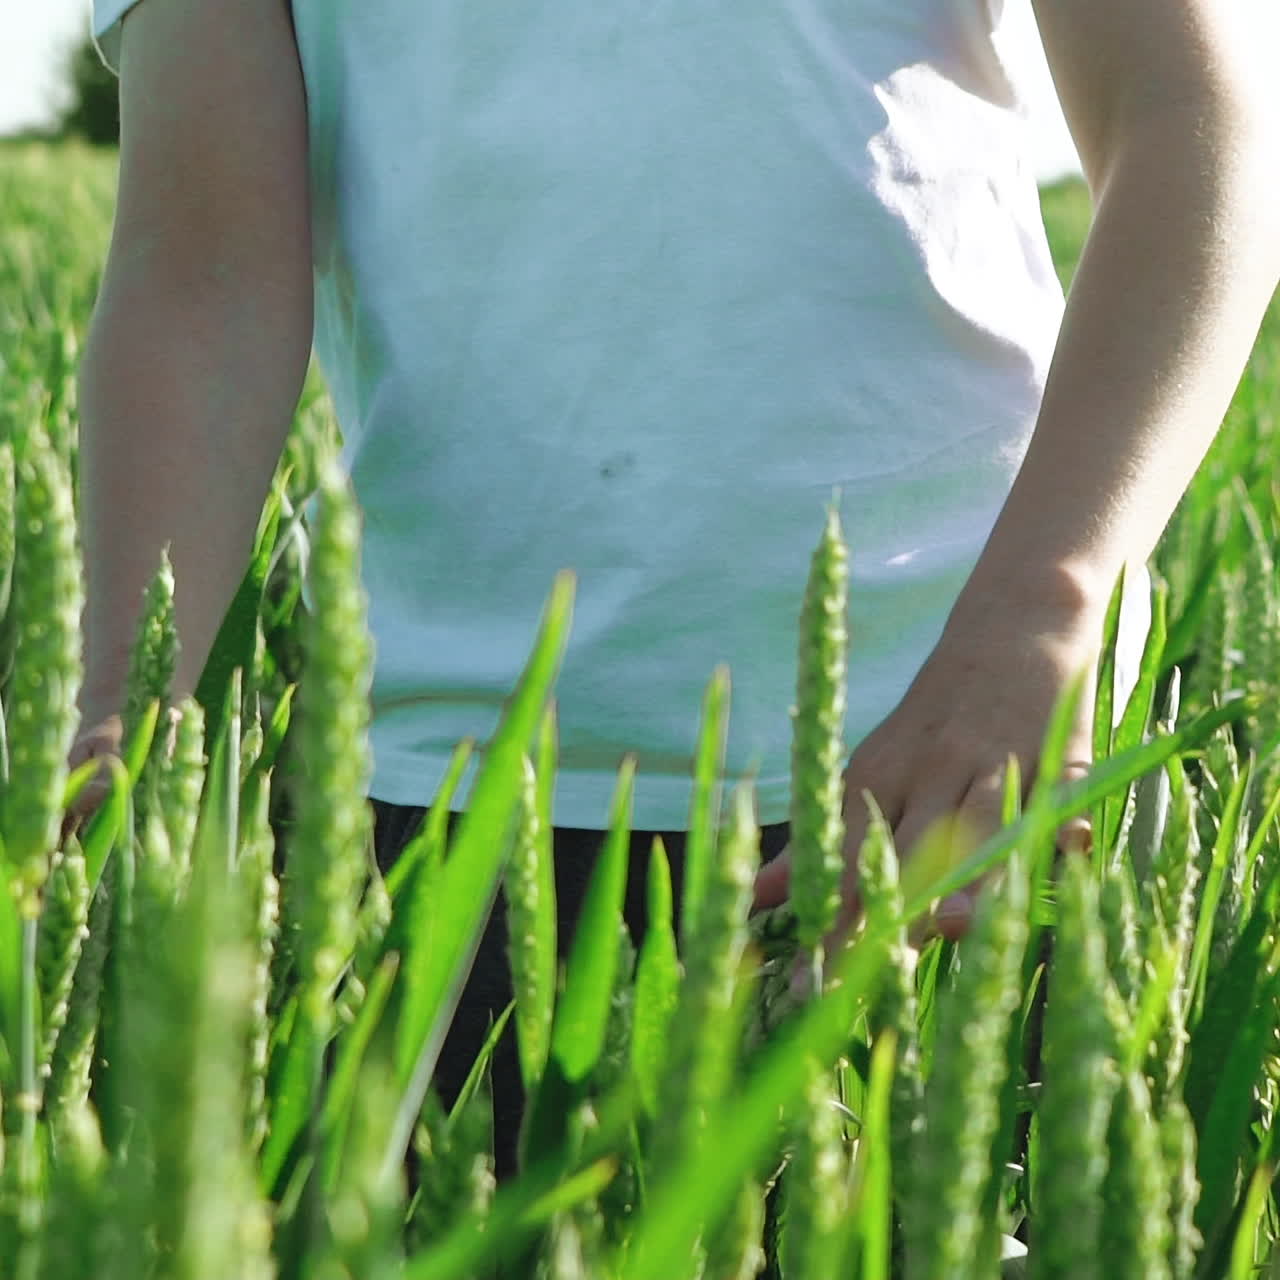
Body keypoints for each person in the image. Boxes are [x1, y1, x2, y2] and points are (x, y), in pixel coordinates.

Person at [67, 0, 1279, 1180]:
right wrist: (120, 723)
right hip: (449, 802)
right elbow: (201, 276)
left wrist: (1040, 619)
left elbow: (1193, 120)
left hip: (960, 761)